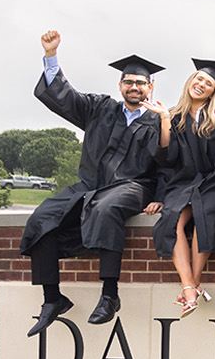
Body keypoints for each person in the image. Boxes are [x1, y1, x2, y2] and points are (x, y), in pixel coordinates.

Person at [25, 31, 163, 337]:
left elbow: (171, 162)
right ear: (120, 85)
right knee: (42, 218)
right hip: (90, 185)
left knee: (107, 207)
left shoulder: (159, 119)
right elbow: (66, 98)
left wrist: (163, 196)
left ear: (150, 87)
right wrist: (51, 56)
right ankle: (53, 298)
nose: (134, 87)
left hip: (134, 185)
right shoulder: (101, 108)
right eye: (128, 81)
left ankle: (110, 294)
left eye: (140, 83)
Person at [151, 58, 215, 316]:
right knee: (171, 218)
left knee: (206, 213)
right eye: (199, 79)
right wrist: (165, 121)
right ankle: (190, 286)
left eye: (209, 83)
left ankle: (191, 285)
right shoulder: (175, 115)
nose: (201, 84)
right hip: (184, 182)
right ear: (190, 82)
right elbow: (166, 159)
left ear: (214, 91)